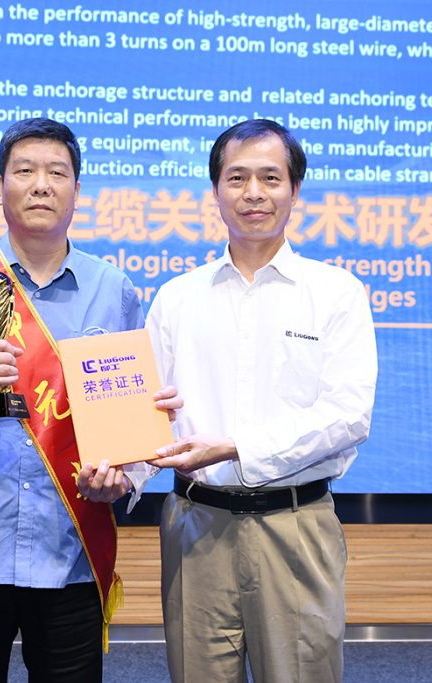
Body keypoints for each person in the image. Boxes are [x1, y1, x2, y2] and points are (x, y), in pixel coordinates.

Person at [0, 117, 178, 682]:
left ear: (77, 190)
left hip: (69, 549)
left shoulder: (112, 289)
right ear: (0, 188)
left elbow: (136, 413)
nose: (41, 184)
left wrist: (123, 477)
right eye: (24, 171)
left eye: (56, 173)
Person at [143, 119, 378, 682]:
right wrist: (118, 473)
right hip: (195, 525)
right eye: (237, 178)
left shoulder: (336, 293)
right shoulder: (177, 298)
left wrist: (234, 446)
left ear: (295, 190)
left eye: (271, 178)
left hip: (295, 525)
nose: (254, 193)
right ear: (216, 190)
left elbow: (348, 417)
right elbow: (148, 412)